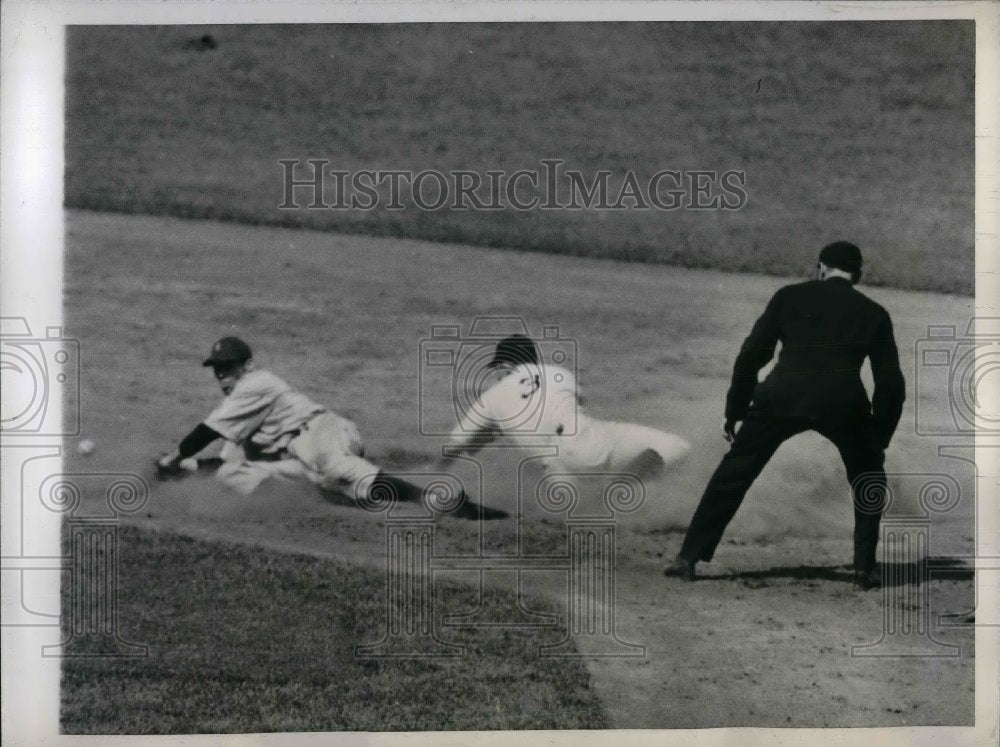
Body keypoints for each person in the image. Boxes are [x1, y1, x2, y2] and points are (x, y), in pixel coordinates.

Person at [663, 242, 906, 589]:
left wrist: (735, 410)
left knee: (735, 471)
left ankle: (688, 557)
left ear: (821, 268)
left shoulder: (789, 296)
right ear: (857, 275)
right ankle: (865, 568)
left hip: (782, 396)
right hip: (843, 402)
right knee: (868, 477)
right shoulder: (875, 313)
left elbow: (751, 355)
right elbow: (891, 383)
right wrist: (879, 436)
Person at [155, 336, 486, 516]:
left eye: (228, 368)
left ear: (248, 365)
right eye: (218, 371)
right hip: (303, 455)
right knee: (233, 472)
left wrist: (175, 456)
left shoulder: (255, 383)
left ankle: (433, 498)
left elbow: (207, 431)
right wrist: (184, 466)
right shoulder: (242, 416)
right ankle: (311, 502)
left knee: (329, 466)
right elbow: (225, 462)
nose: (223, 377)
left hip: (321, 433)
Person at [440, 334, 690, 482]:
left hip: (559, 476)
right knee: (677, 446)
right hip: (590, 444)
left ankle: (607, 496)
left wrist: (433, 475)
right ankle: (624, 486)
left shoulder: (491, 397)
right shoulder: (557, 373)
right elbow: (558, 410)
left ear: (507, 365)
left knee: (573, 498)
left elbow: (454, 447)